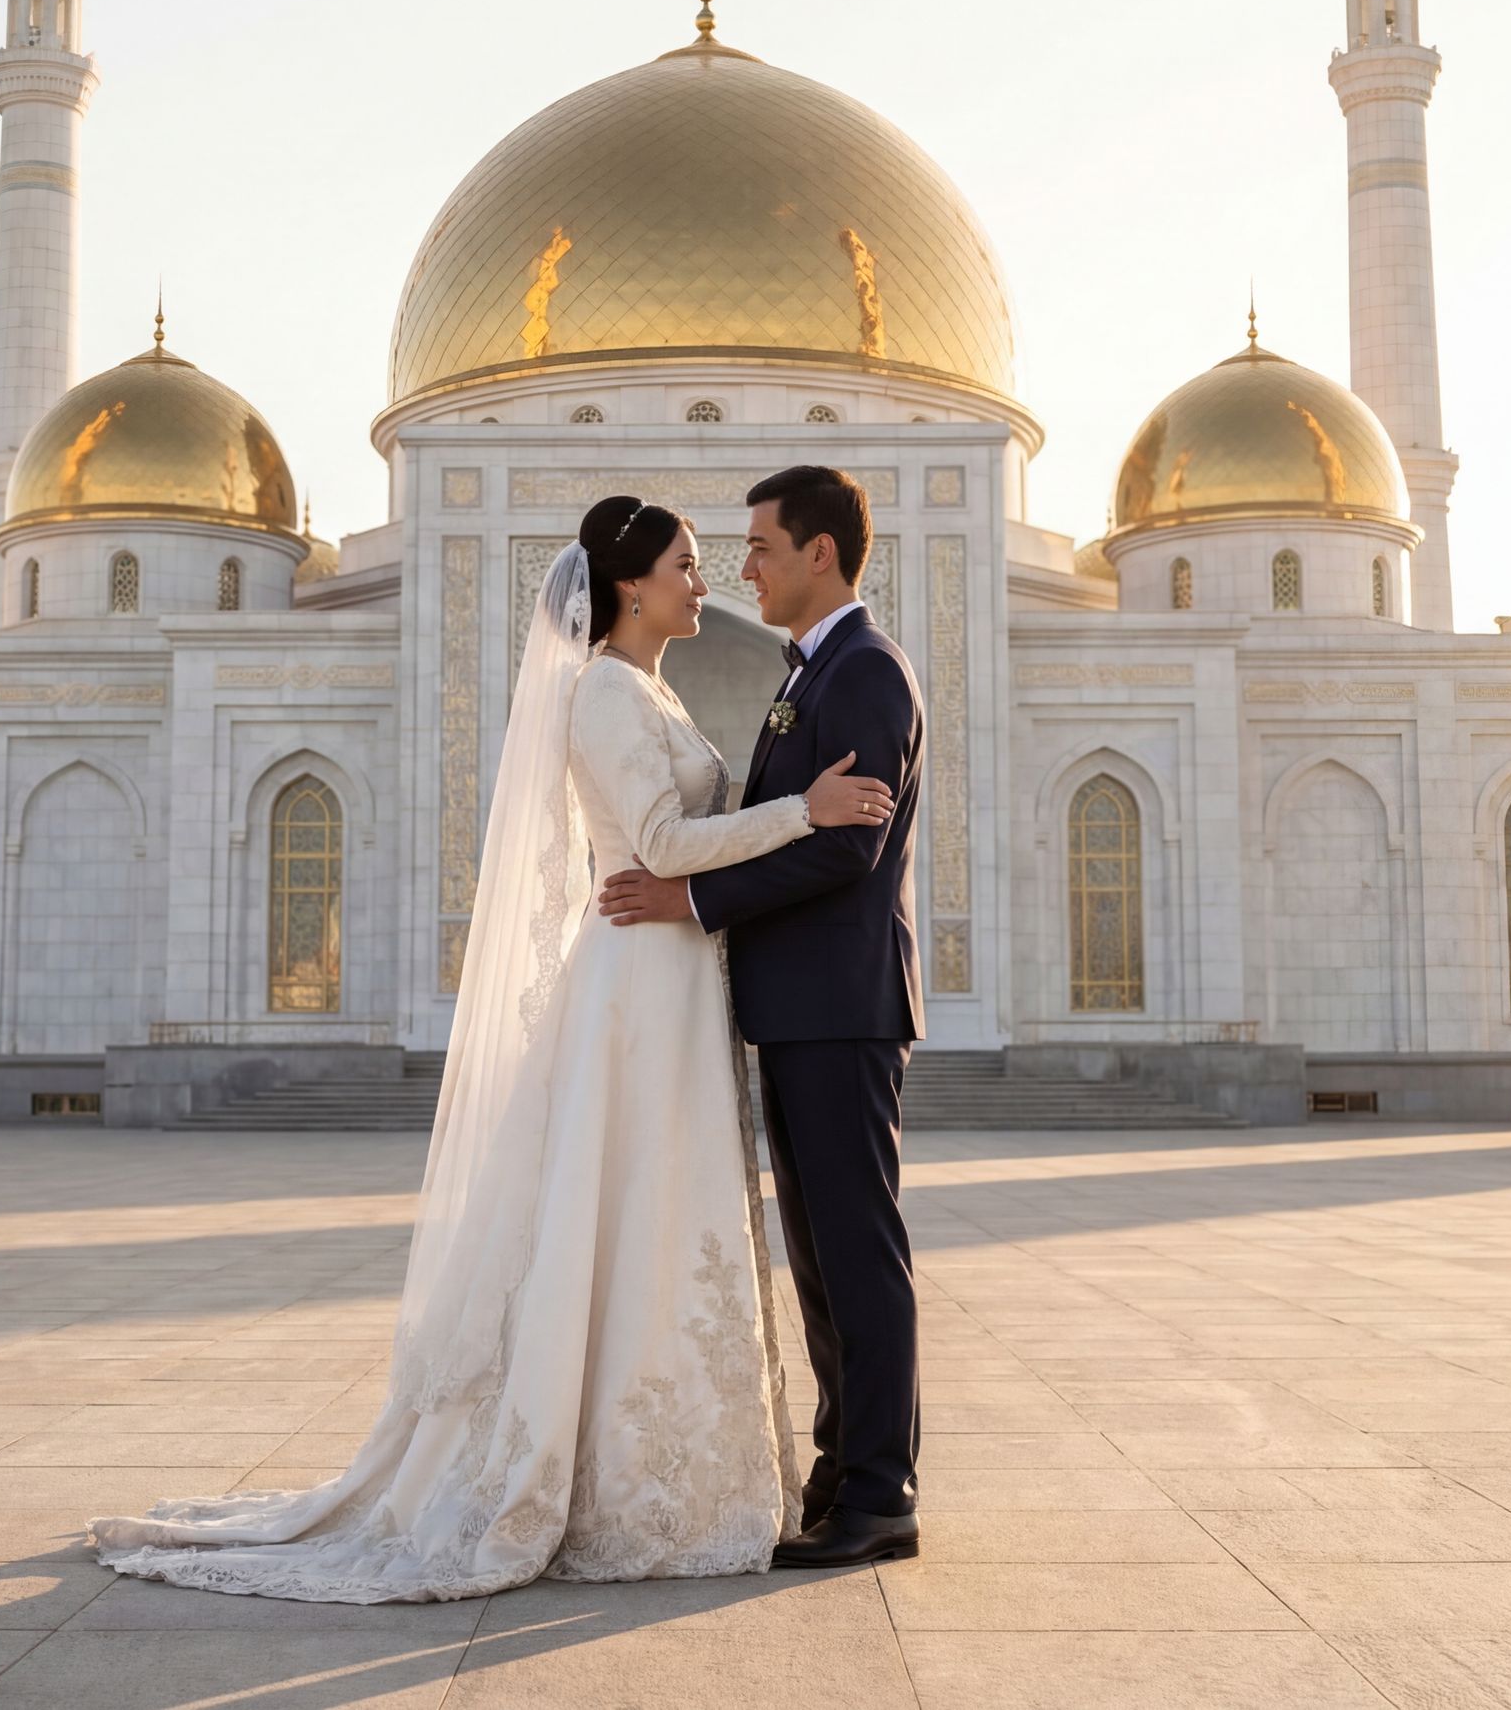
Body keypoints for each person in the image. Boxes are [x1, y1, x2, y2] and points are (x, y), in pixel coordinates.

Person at [89, 497, 895, 1602]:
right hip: (638, 982)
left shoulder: (651, 688)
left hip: (674, 979)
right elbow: (660, 844)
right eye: (687, 564)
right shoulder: (605, 691)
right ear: (629, 585)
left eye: (717, 560)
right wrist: (804, 809)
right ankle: (608, 1471)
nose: (707, 581)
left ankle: (669, 1464)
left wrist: (786, 822)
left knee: (655, 1215)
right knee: (628, 1204)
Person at [597, 465, 926, 1570]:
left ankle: (880, 1494)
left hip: (840, 1010)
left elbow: (846, 846)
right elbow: (796, 825)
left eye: (761, 548)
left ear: (819, 553)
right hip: (799, 1010)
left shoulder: (865, 672)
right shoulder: (813, 673)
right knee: (822, 1260)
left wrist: (691, 901)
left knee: (858, 1254)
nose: (744, 569)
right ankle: (842, 1473)